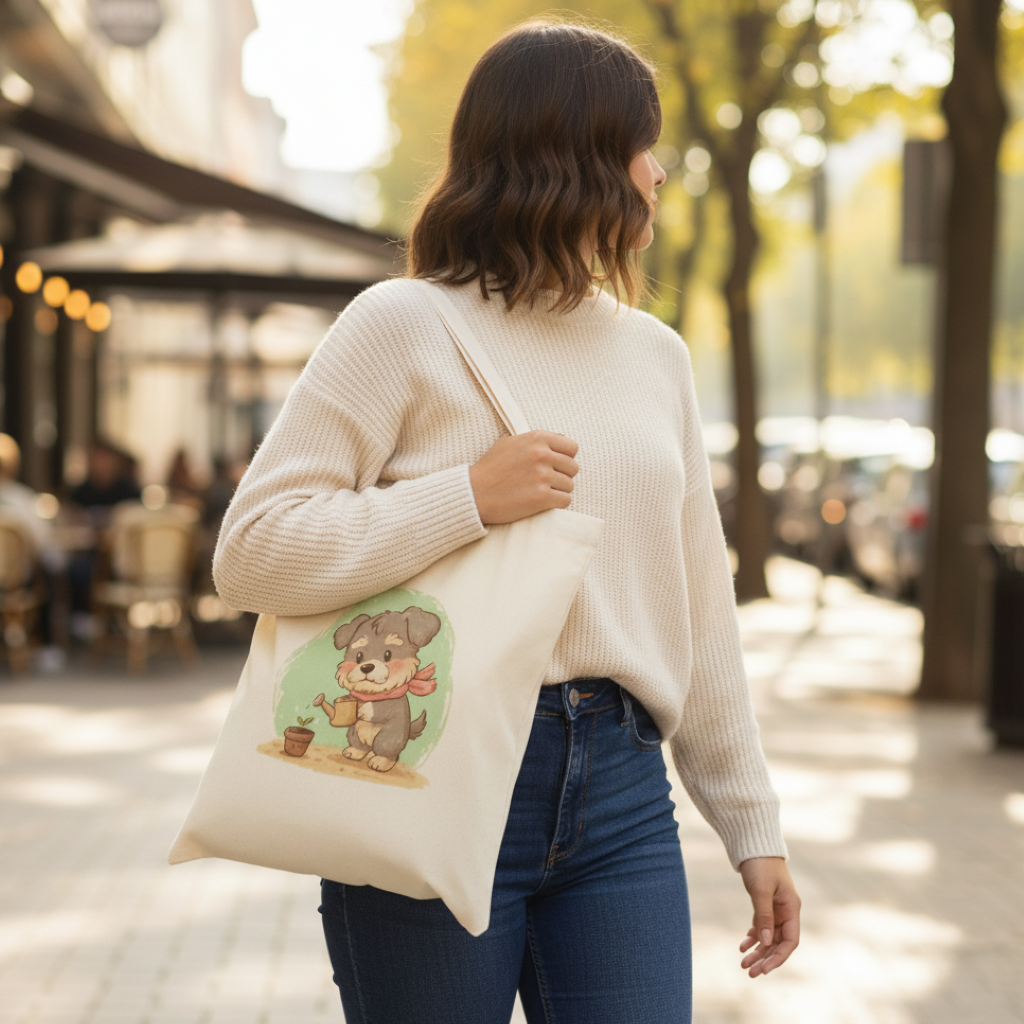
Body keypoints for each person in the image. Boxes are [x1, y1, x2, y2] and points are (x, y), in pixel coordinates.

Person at [213, 20, 800, 1024]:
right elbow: (252, 552)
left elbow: (698, 606)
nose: (658, 172)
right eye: (640, 144)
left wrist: (754, 827)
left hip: (620, 790)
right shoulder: (400, 325)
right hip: (420, 758)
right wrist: (466, 499)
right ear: (578, 155)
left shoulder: (655, 357)